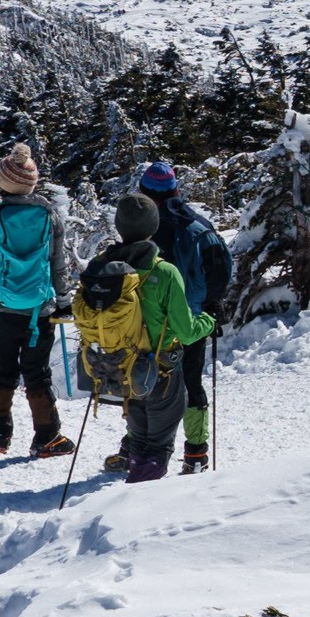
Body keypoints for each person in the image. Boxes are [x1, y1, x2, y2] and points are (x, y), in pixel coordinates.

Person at [70, 191, 211, 484]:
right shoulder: (164, 272)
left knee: (139, 440)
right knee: (158, 445)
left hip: (119, 368)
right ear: (153, 227)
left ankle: (133, 487)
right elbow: (186, 331)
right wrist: (208, 321)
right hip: (161, 372)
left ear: (119, 227)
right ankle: (138, 507)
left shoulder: (100, 267)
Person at [0, 142, 73, 459]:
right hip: (40, 310)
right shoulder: (50, 218)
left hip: (0, 309)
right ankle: (47, 438)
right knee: (37, 374)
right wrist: (64, 302)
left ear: (2, 184)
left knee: (1, 373)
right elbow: (58, 266)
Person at [136, 159, 232, 474]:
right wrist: (213, 305)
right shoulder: (198, 226)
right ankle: (196, 452)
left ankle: (136, 447)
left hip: (147, 322)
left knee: (141, 379)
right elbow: (219, 268)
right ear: (176, 189)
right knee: (192, 381)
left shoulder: (139, 227)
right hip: (191, 319)